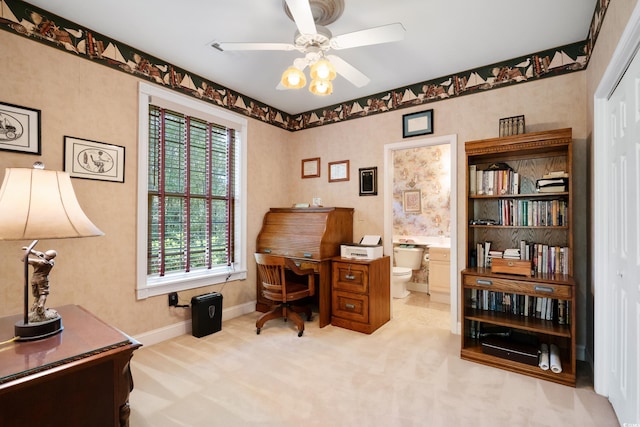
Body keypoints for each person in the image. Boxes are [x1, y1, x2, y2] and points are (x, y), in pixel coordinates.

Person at [23, 247, 58, 320]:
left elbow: (24, 259)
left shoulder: (38, 262)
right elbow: (42, 255)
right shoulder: (52, 262)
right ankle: (37, 306)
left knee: (40, 294)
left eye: (46, 255)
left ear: (50, 257)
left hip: (35, 279)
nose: (44, 255)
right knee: (42, 293)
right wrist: (34, 252)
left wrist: (29, 252)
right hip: (43, 279)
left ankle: (40, 306)